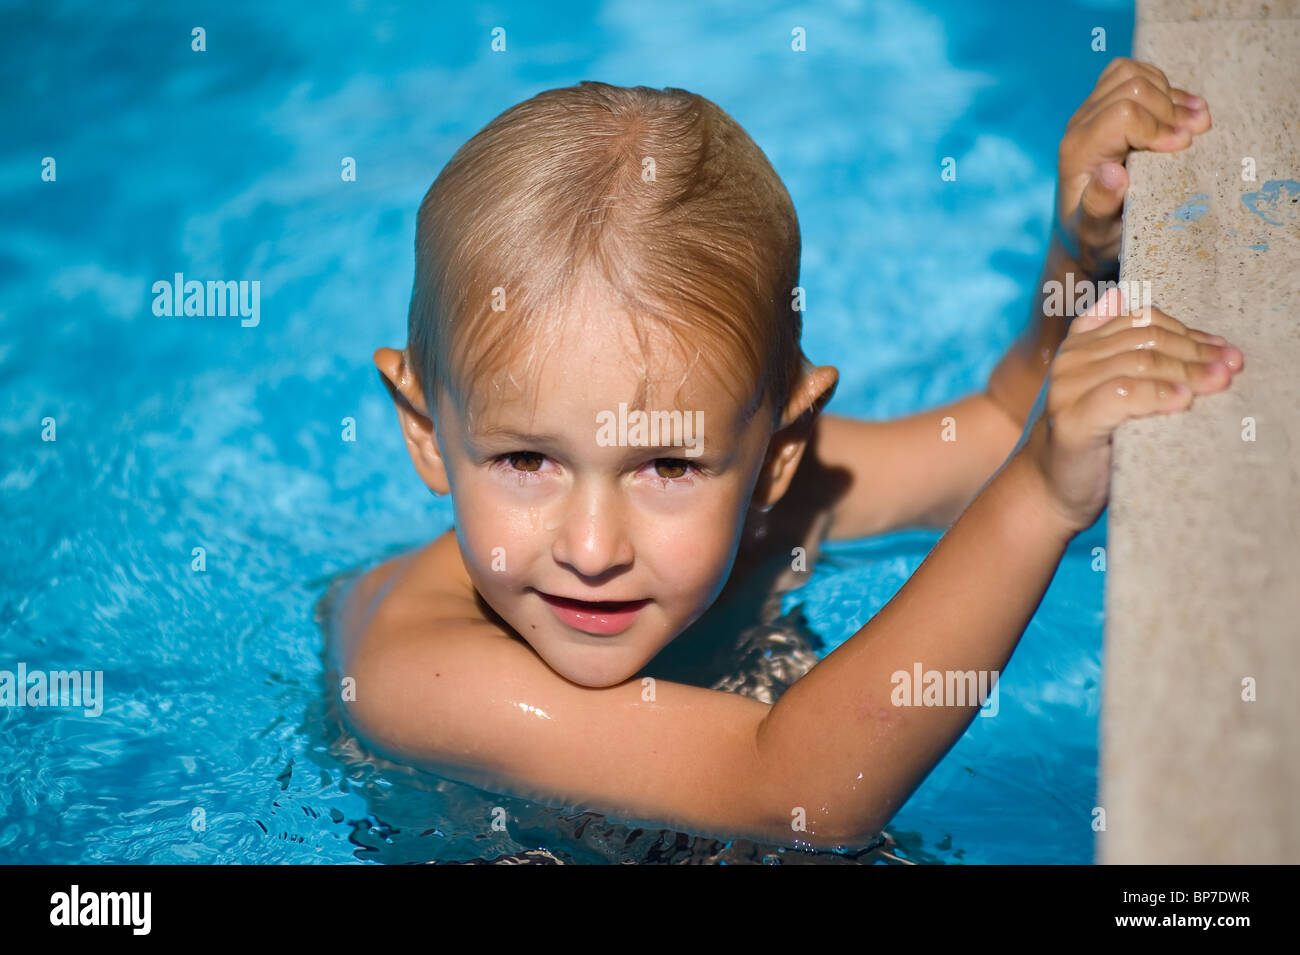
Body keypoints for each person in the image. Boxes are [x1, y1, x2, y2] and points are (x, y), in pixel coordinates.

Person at [327, 59, 1240, 848]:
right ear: (423, 429)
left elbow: (1000, 431)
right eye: (527, 460)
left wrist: (1079, 255)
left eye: (668, 468)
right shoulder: (415, 672)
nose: (594, 548)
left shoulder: (770, 495)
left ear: (775, 452)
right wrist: (1041, 498)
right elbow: (801, 794)